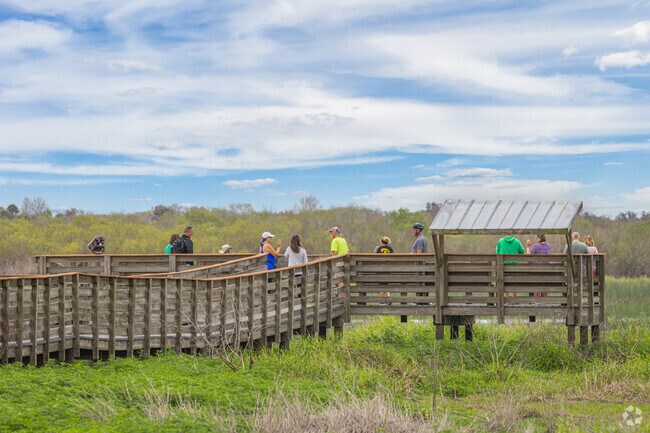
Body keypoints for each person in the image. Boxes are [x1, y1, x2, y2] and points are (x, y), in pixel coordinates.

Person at [496, 233, 524, 299]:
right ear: (512, 234)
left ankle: (506, 297)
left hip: (503, 265)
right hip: (514, 266)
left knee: (505, 281)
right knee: (514, 281)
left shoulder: (500, 241)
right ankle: (514, 297)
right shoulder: (517, 241)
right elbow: (522, 251)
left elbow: (497, 252)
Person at [374, 236, 394, 303]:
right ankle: (389, 298)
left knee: (381, 285)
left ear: (382, 242)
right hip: (388, 269)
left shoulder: (379, 249)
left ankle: (382, 301)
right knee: (387, 284)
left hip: (380, 269)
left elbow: (375, 258)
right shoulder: (390, 249)